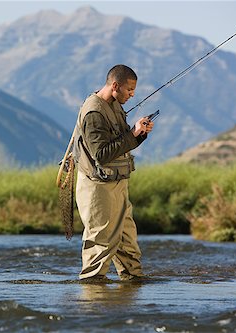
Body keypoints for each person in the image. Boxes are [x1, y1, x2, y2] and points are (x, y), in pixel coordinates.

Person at [73, 64, 154, 281]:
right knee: (100, 242)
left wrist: (138, 134)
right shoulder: (94, 112)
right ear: (115, 85)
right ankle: (93, 296)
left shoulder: (115, 104)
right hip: (97, 187)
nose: (132, 95)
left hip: (117, 183)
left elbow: (119, 143)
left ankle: (131, 289)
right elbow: (101, 154)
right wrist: (132, 134)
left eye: (133, 91)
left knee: (127, 242)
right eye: (129, 90)